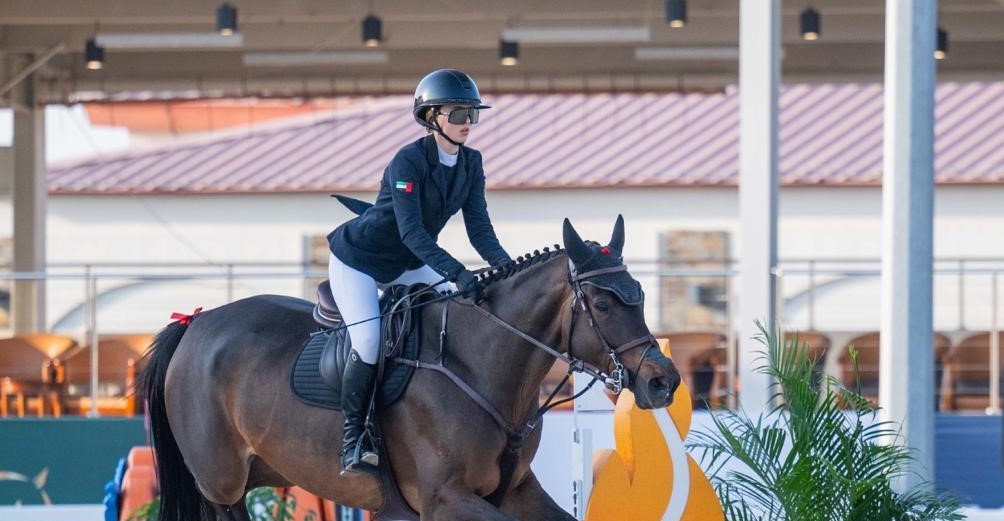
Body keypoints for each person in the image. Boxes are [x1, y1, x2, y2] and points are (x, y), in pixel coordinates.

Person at [326, 69, 512, 475]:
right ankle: (353, 439)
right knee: (369, 339)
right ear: (431, 117)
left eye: (472, 114)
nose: (467, 123)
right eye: (458, 114)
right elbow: (411, 232)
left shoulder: (472, 163)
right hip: (361, 260)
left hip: (408, 263)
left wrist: (507, 268)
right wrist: (457, 272)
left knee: (458, 314)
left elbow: (480, 229)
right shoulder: (408, 160)